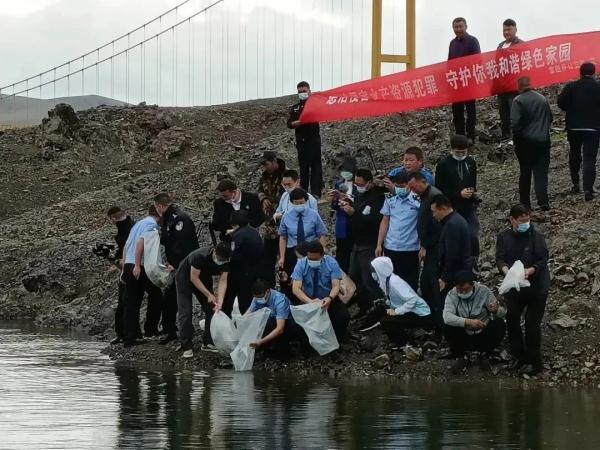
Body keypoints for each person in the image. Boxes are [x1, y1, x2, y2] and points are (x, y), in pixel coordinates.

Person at [496, 204, 550, 376]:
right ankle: (518, 356)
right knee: (512, 318)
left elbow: (543, 259)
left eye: (528, 220)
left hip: (536, 285)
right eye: (522, 220)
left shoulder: (537, 237)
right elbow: (500, 258)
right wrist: (506, 271)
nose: (526, 223)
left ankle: (535, 362)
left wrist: (531, 270)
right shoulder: (504, 237)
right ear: (512, 220)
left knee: (532, 323)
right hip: (515, 285)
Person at [154, 193, 200, 345]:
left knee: (186, 298)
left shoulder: (179, 218)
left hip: (186, 265)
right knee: (169, 299)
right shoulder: (167, 219)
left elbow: (183, 244)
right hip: (175, 264)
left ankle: (186, 335)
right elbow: (168, 242)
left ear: (160, 205)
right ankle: (170, 331)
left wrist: (176, 263)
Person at [443, 270, 506, 374]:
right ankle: (462, 356)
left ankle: (484, 354)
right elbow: (447, 317)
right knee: (447, 326)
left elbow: (501, 314)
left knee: (499, 324)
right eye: (460, 290)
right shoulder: (452, 294)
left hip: (482, 332)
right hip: (464, 334)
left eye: (466, 289)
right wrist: (467, 322)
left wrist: (496, 309)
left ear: (473, 285)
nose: (463, 293)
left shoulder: (483, 291)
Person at [175, 242, 232, 358]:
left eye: (224, 260)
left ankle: (208, 342)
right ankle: (186, 345)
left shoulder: (227, 260)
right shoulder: (200, 255)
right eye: (220, 259)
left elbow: (223, 280)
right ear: (215, 252)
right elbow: (193, 278)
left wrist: (220, 301)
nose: (221, 262)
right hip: (185, 277)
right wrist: (208, 294)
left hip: (204, 277)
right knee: (186, 312)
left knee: (212, 307)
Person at [345, 169, 386, 316]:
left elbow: (375, 221)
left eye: (361, 184)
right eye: (356, 184)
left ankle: (376, 310)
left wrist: (354, 213)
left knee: (369, 280)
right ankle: (363, 308)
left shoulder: (378, 198)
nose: (358, 186)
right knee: (354, 278)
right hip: (357, 244)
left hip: (369, 244)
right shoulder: (358, 194)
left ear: (370, 183)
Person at [121, 206, 163, 348]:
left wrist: (123, 269)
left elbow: (126, 246)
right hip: (139, 265)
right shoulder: (151, 225)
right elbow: (141, 243)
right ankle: (149, 329)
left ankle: (131, 335)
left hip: (128, 264)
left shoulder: (137, 224)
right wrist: (138, 265)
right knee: (156, 294)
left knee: (131, 302)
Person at [558, 62, 600, 201]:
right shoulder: (598, 86)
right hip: (593, 128)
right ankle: (588, 188)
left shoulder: (571, 86)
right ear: (594, 73)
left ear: (580, 73)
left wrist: (572, 110)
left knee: (574, 154)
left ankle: (576, 183)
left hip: (574, 127)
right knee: (590, 158)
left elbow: (561, 103)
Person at [291, 240, 350, 341]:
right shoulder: (301, 264)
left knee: (343, 316)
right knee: (295, 323)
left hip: (328, 299)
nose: (312, 261)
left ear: (322, 255)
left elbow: (336, 285)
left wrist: (329, 298)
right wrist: (310, 302)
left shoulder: (331, 263)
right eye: (310, 258)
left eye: (315, 259)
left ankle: (337, 340)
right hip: (308, 300)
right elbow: (296, 288)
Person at [435, 134, 480, 262]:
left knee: (472, 237)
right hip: (452, 209)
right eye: (457, 152)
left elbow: (473, 183)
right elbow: (439, 189)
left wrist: (472, 193)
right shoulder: (443, 165)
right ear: (452, 149)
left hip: (468, 207)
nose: (460, 155)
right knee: (454, 241)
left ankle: (473, 265)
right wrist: (458, 194)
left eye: (463, 152)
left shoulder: (470, 162)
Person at [407, 172, 444, 328]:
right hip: (428, 248)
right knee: (426, 285)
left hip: (434, 250)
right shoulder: (425, 196)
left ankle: (438, 323)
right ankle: (429, 320)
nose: (413, 191)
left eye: (414, 187)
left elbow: (437, 227)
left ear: (423, 182)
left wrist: (426, 247)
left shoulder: (434, 196)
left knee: (434, 287)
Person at [511, 76, 553, 211]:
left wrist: (517, 142)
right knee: (541, 173)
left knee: (525, 172)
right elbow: (550, 118)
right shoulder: (542, 98)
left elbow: (515, 124)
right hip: (543, 141)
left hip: (526, 143)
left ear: (519, 87)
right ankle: (543, 201)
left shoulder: (518, 101)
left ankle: (525, 203)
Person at [371, 257, 433, 347]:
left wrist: (396, 312)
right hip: (410, 310)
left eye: (374, 270)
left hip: (421, 314)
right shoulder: (387, 281)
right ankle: (398, 340)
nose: (372, 273)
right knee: (382, 311)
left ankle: (405, 344)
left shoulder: (395, 283)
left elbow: (412, 300)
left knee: (387, 321)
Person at [278, 188, 328, 300]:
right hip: (293, 251)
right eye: (296, 203)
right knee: (291, 280)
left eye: (302, 202)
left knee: (310, 278)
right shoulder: (286, 216)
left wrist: (322, 251)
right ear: (291, 203)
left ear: (306, 201)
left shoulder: (314, 215)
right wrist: (282, 257)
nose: (299, 205)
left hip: (309, 250)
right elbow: (283, 237)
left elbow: (322, 234)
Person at [376, 171, 420, 291]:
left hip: (410, 248)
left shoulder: (417, 200)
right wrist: (379, 244)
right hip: (391, 247)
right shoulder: (390, 198)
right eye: (397, 186)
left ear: (409, 185)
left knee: (410, 282)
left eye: (402, 186)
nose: (399, 189)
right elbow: (385, 221)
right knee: (392, 282)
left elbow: (424, 222)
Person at [430, 194, 472, 300]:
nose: (433, 215)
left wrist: (444, 278)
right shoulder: (456, 219)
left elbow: (451, 254)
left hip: (455, 275)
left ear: (443, 208)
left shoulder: (452, 225)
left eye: (434, 211)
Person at [287, 81, 323, 197]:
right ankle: (304, 191)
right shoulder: (295, 108)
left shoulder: (315, 104)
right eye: (300, 92)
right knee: (304, 169)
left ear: (309, 91)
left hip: (314, 142)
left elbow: (321, 113)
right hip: (301, 143)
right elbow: (289, 123)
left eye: (304, 91)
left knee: (316, 167)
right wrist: (296, 123)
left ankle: (316, 193)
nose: (302, 93)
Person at [448, 17, 481, 142]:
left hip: (469, 81)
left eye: (460, 26)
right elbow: (449, 62)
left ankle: (471, 135)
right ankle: (460, 136)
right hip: (456, 83)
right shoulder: (452, 43)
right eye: (456, 27)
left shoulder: (473, 41)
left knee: (470, 110)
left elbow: (478, 60)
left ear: (466, 27)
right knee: (457, 111)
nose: (458, 29)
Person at [226, 210, 266, 314]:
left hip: (242, 272)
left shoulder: (238, 236)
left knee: (243, 299)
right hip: (256, 270)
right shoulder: (254, 232)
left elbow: (234, 255)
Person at [107, 206, 136, 344]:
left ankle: (129, 335)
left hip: (131, 268)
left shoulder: (128, 229)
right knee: (124, 302)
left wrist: (118, 260)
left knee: (127, 302)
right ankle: (123, 333)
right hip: (130, 267)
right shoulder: (128, 226)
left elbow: (129, 248)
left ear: (113, 218)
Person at [257, 151, 287, 285]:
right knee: (267, 259)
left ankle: (287, 286)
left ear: (274, 161)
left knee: (284, 259)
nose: (265, 167)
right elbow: (259, 190)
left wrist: (274, 207)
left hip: (283, 225)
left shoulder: (285, 176)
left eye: (267, 164)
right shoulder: (264, 177)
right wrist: (263, 199)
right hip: (269, 225)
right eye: (263, 165)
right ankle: (269, 287)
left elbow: (286, 196)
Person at [246, 279, 295, 356]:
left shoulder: (280, 301)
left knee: (282, 353)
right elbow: (248, 315)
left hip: (286, 325)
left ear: (268, 291)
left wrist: (261, 341)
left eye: (261, 297)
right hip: (270, 322)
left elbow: (280, 329)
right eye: (256, 298)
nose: (259, 300)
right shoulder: (257, 298)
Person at [497, 18, 525, 142]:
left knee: (515, 111)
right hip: (502, 86)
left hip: (514, 86)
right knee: (503, 113)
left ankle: (517, 136)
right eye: (504, 30)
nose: (506, 32)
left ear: (515, 29)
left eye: (509, 29)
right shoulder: (500, 46)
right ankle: (505, 136)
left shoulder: (521, 44)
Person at [329, 156, 358, 273]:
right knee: (342, 255)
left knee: (354, 255)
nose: (345, 173)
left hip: (355, 223)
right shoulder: (339, 184)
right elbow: (334, 206)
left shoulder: (358, 185)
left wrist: (348, 200)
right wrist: (335, 199)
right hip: (342, 224)